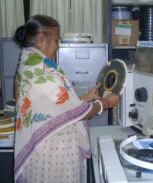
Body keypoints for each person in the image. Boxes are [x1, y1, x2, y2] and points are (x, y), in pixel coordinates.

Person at [13, 15, 119, 183]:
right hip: (53, 152)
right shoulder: (42, 70)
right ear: (41, 40)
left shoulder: (28, 63)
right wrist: (106, 103)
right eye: (56, 40)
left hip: (43, 148)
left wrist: (85, 97)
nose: (59, 45)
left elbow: (49, 104)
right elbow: (81, 113)